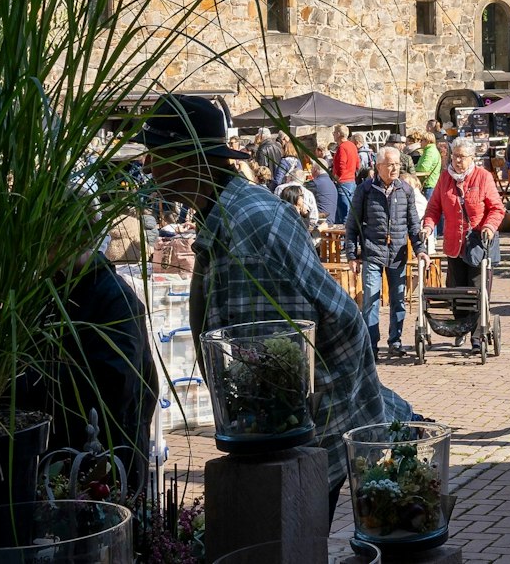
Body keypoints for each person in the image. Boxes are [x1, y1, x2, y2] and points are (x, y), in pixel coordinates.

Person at [140, 94, 410, 530]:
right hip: (304, 433)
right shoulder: (232, 211)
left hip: (302, 438)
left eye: (156, 155)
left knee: (288, 542)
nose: (149, 168)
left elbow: (276, 375)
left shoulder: (244, 234)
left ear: (187, 158)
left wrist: (269, 443)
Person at [19, 247, 158, 496]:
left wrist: (33, 381)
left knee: (106, 525)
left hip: (110, 451)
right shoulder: (53, 293)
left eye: (54, 244)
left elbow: (113, 384)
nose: (45, 254)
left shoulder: (115, 298)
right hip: (66, 448)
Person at [348, 147, 427, 357]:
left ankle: (396, 341)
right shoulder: (365, 190)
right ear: (379, 166)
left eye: (397, 165)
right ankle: (371, 346)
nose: (394, 168)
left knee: (398, 299)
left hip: (398, 253)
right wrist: (351, 254)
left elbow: (413, 225)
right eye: (390, 164)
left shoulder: (406, 190)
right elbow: (352, 224)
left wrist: (421, 250)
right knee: (371, 300)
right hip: (372, 251)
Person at [422, 140, 507, 292]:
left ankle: (476, 316)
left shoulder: (483, 177)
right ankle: (459, 316)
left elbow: (497, 208)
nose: (457, 160)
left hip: (477, 245)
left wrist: (489, 227)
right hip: (454, 244)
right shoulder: (444, 178)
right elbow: (433, 208)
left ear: (472, 157)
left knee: (476, 294)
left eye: (462, 156)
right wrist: (428, 226)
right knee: (455, 293)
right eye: (455, 156)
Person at [328, 125, 361, 225]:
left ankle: (344, 239)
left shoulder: (342, 147)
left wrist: (336, 178)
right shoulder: (352, 146)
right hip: (351, 181)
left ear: (338, 134)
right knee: (350, 211)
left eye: (334, 132)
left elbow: (341, 165)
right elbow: (358, 164)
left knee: (343, 214)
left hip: (343, 182)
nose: (333, 134)